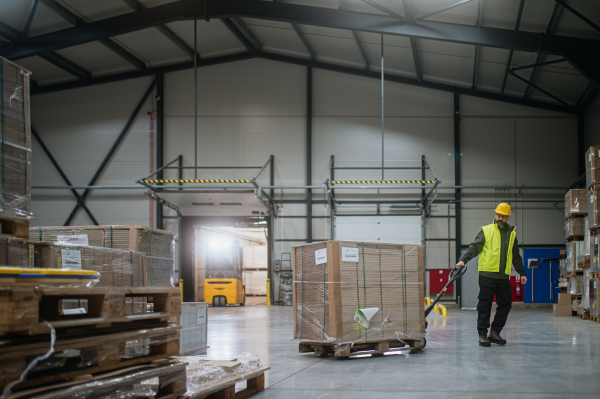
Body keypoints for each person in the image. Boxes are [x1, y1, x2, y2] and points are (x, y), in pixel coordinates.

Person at [455, 203, 528, 347]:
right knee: (484, 304)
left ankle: (494, 332)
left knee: (506, 304)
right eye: (498, 215)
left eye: (503, 216)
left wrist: (521, 272)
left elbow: (515, 254)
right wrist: (463, 259)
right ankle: (482, 334)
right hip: (487, 274)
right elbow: (474, 247)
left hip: (503, 276)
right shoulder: (486, 230)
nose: (500, 218)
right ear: (495, 215)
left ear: (507, 217)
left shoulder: (512, 233)